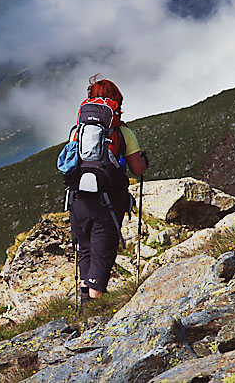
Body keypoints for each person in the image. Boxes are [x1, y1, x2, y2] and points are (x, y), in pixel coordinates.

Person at [70, 75, 147, 300]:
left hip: (78, 201)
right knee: (103, 255)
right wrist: (144, 160)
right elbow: (138, 170)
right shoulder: (123, 133)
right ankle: (96, 310)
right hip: (108, 203)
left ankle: (86, 307)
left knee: (85, 250)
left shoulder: (78, 131)